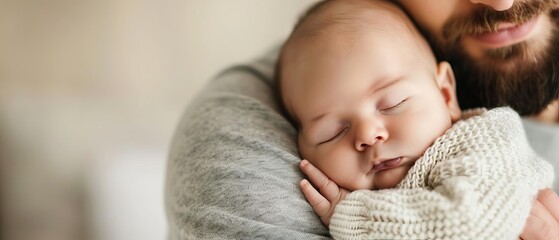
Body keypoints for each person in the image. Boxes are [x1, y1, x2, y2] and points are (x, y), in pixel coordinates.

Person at [165, 0, 559, 239]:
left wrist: (347, 216)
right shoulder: (243, 136)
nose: (369, 134)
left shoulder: (485, 143)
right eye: (331, 132)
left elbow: (463, 225)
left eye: (393, 103)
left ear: (445, 93)